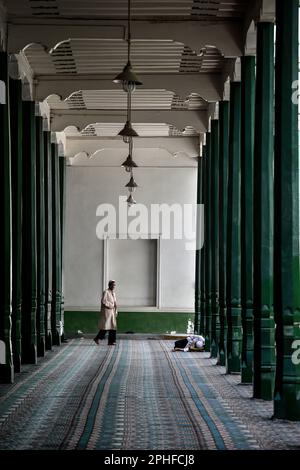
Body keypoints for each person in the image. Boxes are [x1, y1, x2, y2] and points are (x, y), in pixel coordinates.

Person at [94, 280, 118, 346]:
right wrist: (111, 306)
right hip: (107, 313)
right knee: (106, 327)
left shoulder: (114, 293)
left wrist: (116, 309)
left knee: (113, 327)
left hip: (112, 313)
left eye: (114, 285)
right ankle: (97, 338)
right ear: (109, 285)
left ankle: (111, 341)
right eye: (113, 285)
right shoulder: (106, 292)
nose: (114, 286)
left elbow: (115, 302)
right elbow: (103, 301)